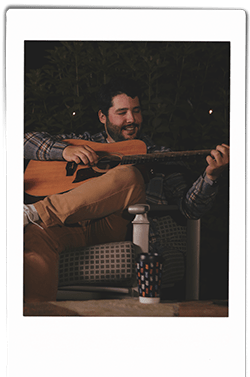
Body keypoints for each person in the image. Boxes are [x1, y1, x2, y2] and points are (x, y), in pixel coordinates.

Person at [24, 78, 229, 302]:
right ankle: (37, 320)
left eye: (136, 111)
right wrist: (64, 151)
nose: (131, 119)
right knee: (36, 235)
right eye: (122, 112)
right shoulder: (85, 142)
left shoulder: (158, 154)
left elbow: (190, 209)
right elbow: (24, 141)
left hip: (113, 226)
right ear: (103, 117)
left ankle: (33, 212)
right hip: (71, 224)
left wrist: (210, 176)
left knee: (129, 174)